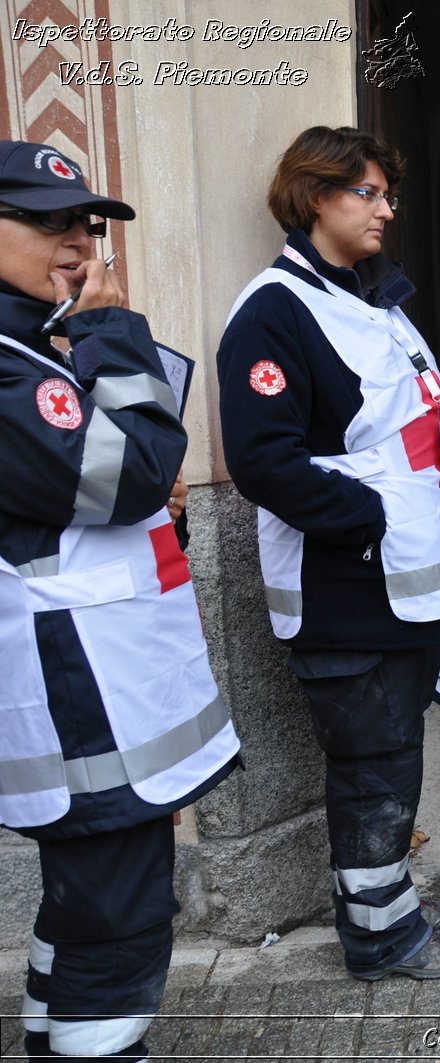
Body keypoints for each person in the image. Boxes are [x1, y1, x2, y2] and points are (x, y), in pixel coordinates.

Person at [216, 127, 440, 982]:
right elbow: (262, 462)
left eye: (388, 194)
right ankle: (379, 939)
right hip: (347, 587)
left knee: (393, 755)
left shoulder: (369, 299)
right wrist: (367, 516)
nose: (386, 209)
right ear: (314, 196)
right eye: (367, 192)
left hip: (397, 584)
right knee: (371, 765)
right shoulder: (274, 311)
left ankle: (389, 902)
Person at [0, 140, 241, 1061]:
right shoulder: (22, 363)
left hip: (102, 690)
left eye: (85, 223)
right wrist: (114, 335)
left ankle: (53, 1041)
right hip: (79, 700)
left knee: (88, 898)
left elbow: (110, 488)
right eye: (46, 220)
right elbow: (133, 472)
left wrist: (141, 483)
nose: (78, 243)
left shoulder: (35, 351)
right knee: (118, 912)